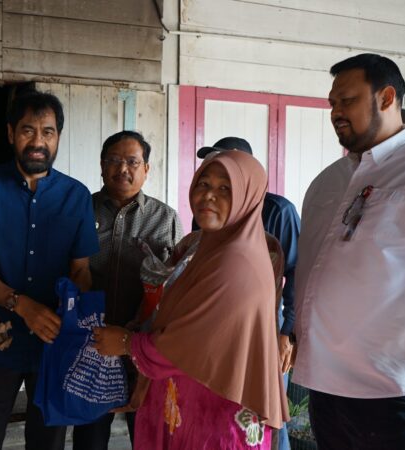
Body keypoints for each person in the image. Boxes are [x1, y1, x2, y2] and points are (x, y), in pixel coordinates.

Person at [294, 53, 405, 449]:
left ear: (386, 98)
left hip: (393, 392)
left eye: (347, 100)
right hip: (324, 386)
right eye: (332, 103)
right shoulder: (328, 182)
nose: (336, 112)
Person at [93, 150, 288, 449]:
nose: (209, 195)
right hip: (189, 403)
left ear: (247, 197)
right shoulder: (208, 248)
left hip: (214, 414)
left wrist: (125, 343)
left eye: (225, 188)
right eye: (203, 184)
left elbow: (190, 343)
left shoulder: (237, 262)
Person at [0, 90, 99, 450]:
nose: (38, 142)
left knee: (48, 442)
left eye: (47, 132)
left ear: (58, 136)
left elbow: (81, 270)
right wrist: (22, 305)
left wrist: (74, 321)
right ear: (10, 133)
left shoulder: (76, 195)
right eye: (27, 130)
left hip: (53, 344)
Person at [74, 130, 182, 449]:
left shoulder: (165, 218)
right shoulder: (81, 211)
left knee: (147, 434)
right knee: (90, 437)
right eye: (114, 160)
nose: (123, 169)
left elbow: (177, 285)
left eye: (132, 162)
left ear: (146, 169)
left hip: (143, 348)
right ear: (101, 166)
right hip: (91, 345)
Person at [197, 137, 300, 450]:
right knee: (226, 412)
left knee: (267, 413)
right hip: (217, 329)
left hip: (265, 329)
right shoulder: (209, 207)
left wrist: (286, 332)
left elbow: (297, 272)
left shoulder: (277, 211)